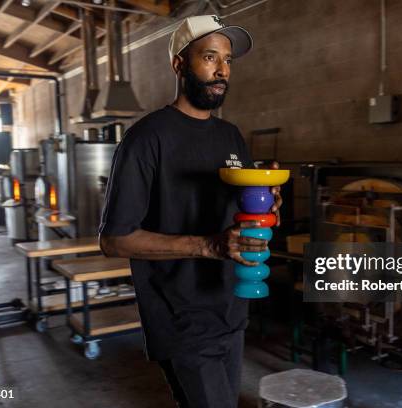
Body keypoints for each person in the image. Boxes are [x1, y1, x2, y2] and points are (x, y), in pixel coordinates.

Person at [98, 15, 282, 408]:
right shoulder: (147, 138)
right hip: (181, 318)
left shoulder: (230, 135)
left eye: (228, 60)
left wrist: (265, 209)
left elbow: (238, 215)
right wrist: (209, 246)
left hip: (231, 308)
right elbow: (114, 239)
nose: (222, 70)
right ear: (179, 65)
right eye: (209, 57)